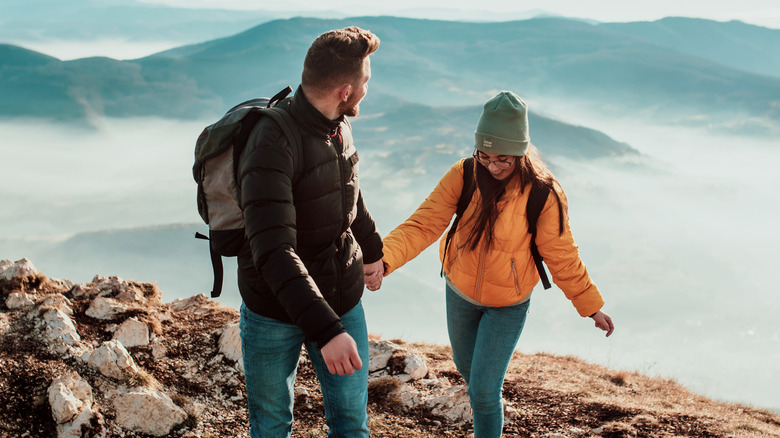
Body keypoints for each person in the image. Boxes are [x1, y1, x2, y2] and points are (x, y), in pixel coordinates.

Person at [379, 91, 614, 437]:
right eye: (485, 155)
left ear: (520, 151)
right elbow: (424, 224)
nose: (493, 165)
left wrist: (590, 306)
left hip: (508, 305)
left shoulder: (542, 193)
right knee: (469, 372)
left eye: (503, 157)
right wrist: (382, 260)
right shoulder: (463, 174)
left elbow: (562, 254)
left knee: (484, 392)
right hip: (459, 291)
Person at [237, 26, 384, 438]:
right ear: (344, 90)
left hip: (342, 295)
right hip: (274, 311)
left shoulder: (337, 124)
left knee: (351, 425)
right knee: (271, 426)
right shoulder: (272, 142)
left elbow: (349, 191)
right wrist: (328, 331)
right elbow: (273, 250)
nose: (366, 91)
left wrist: (372, 250)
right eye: (365, 83)